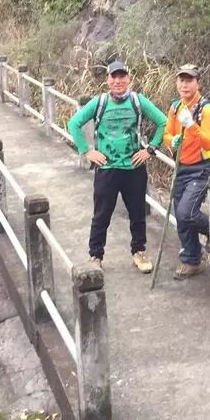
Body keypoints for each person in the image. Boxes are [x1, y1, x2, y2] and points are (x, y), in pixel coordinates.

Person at [67, 61, 167, 273]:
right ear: (108, 80)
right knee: (101, 214)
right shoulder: (99, 102)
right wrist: (87, 151)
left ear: (128, 79)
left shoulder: (137, 101)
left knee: (138, 213)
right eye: (114, 77)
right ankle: (95, 256)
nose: (118, 81)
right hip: (107, 168)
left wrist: (149, 149)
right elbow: (74, 124)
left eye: (122, 76)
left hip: (134, 168)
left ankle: (139, 252)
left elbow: (163, 122)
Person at [163, 64, 210, 280]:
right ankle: (192, 260)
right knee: (180, 215)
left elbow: (209, 142)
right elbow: (168, 134)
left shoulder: (207, 110)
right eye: (181, 80)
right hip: (182, 166)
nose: (184, 85)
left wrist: (192, 126)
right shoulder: (175, 107)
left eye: (189, 80)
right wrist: (172, 142)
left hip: (202, 168)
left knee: (187, 212)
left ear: (198, 83)